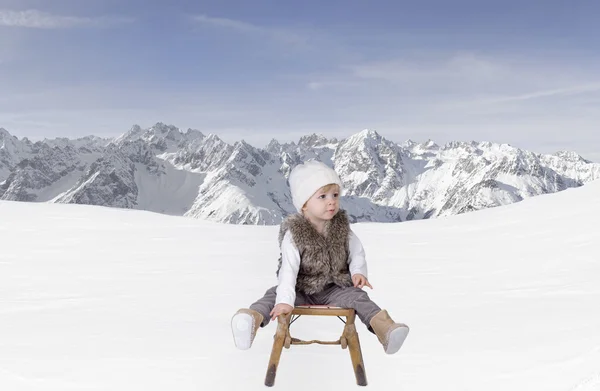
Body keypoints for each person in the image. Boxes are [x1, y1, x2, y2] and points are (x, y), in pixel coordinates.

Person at [231, 160, 409, 354]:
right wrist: (285, 300)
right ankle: (250, 320)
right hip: (300, 290)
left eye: (335, 195)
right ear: (304, 205)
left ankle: (386, 330)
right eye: (322, 196)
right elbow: (288, 270)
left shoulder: (341, 228)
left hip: (335, 289)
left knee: (359, 297)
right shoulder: (294, 234)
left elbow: (357, 252)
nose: (331, 201)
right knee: (273, 295)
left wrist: (357, 272)